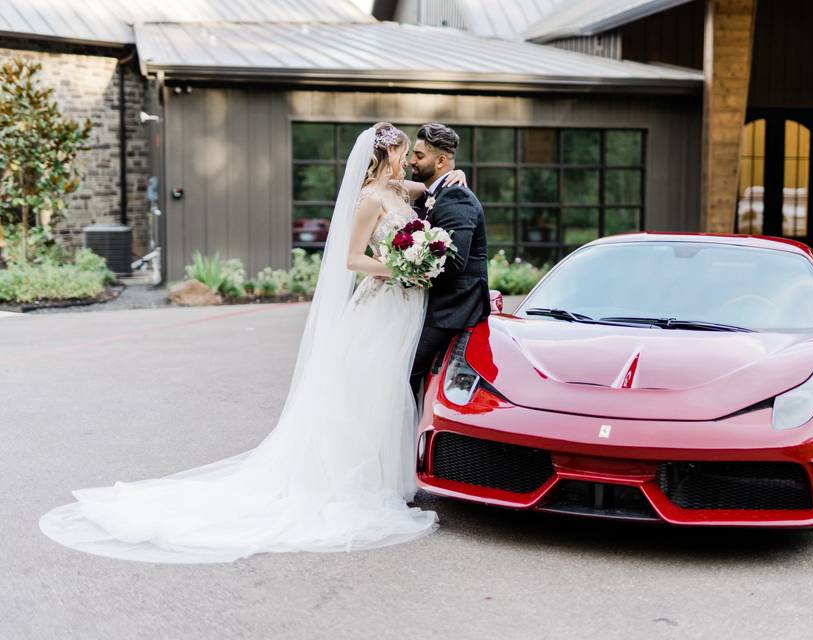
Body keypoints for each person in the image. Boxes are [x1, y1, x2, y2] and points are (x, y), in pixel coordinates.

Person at [38, 123, 468, 563]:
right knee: (368, 389)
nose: (407, 160)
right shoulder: (369, 200)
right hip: (381, 303)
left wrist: (458, 175)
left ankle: (385, 478)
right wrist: (399, 267)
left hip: (405, 307)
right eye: (402, 153)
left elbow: (435, 184)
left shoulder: (400, 189)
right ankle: (358, 481)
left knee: (390, 388)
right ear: (386, 156)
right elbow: (352, 259)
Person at [408, 123, 491, 396]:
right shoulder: (433, 193)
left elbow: (453, 264)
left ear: (441, 161)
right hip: (433, 303)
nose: (411, 161)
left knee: (406, 370)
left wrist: (404, 275)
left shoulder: (456, 197)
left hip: (452, 308)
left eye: (419, 155)